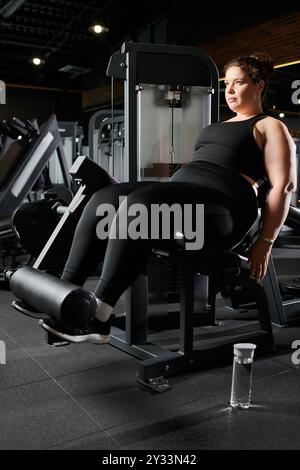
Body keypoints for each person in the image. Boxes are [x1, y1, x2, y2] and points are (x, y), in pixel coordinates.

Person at [40, 52, 297, 344]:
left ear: (259, 86)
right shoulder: (218, 126)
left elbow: (283, 187)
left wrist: (264, 244)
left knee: (142, 205)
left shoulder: (269, 126)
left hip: (224, 210)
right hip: (188, 198)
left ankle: (99, 316)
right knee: (106, 198)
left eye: (239, 83)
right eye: (228, 84)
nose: (230, 90)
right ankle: (65, 297)